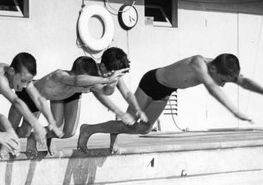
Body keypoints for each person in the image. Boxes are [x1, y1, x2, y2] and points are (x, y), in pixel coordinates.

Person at [77, 53, 261, 154]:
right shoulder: (198, 64)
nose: (223, 84)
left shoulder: (220, 67)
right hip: (152, 83)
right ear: (213, 69)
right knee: (129, 121)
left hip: (165, 91)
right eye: (222, 80)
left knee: (143, 129)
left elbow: (243, 81)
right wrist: (235, 112)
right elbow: (213, 88)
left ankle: (110, 138)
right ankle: (88, 129)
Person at [11, 52, 132, 156]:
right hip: (27, 95)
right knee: (20, 131)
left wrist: (113, 80)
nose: (88, 86)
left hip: (43, 101)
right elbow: (76, 80)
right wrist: (107, 80)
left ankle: (40, 137)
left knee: (66, 132)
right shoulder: (60, 75)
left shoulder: (83, 85)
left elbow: (106, 91)